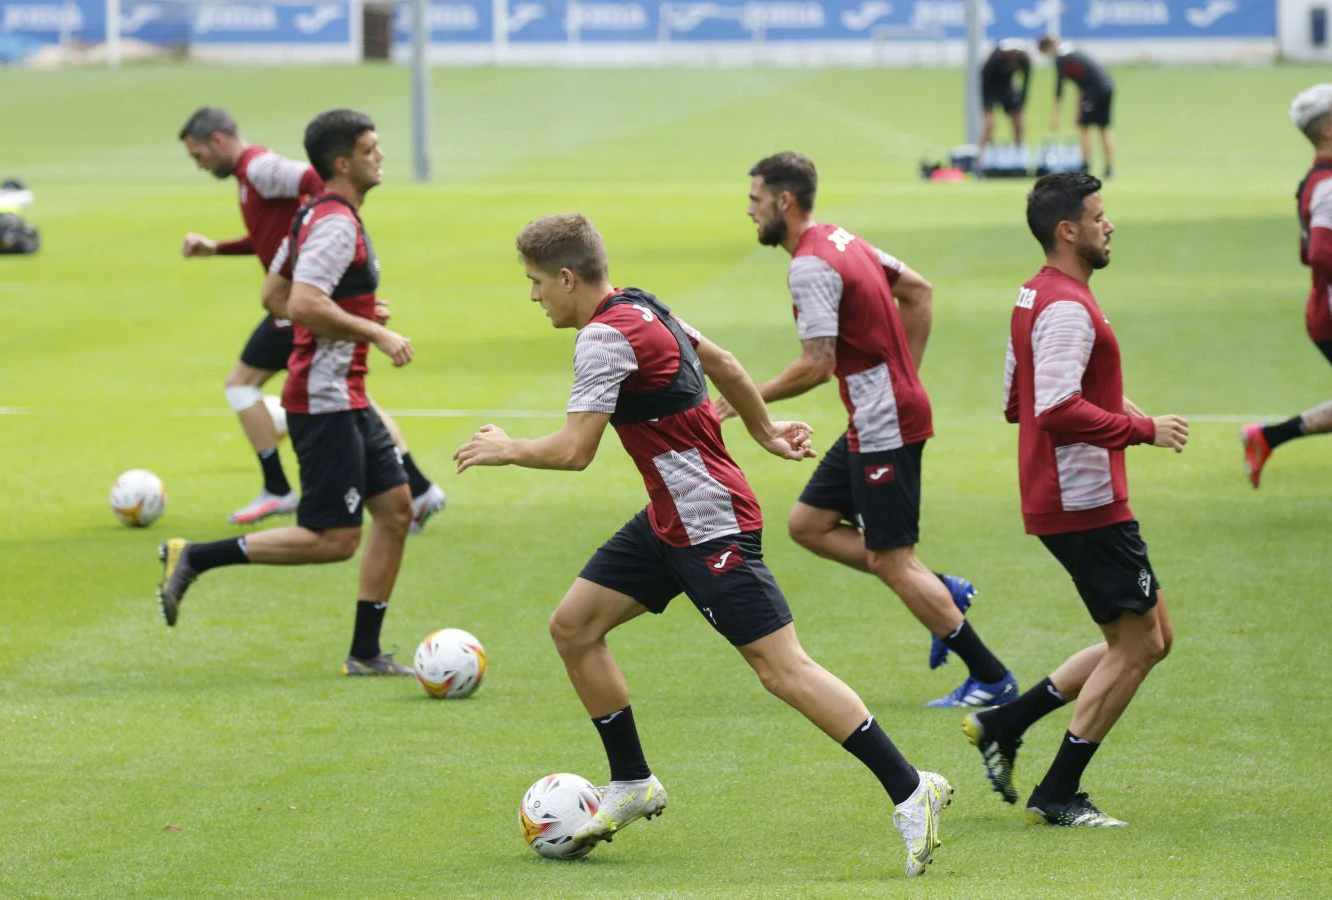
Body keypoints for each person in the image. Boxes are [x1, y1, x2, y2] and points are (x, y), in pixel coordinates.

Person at [453, 213, 952, 877]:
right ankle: (632, 783)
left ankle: (911, 788)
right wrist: (766, 430)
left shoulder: (604, 338)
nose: (534, 295)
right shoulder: (642, 305)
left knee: (783, 669)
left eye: (537, 282)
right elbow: (726, 364)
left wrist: (507, 448)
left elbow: (576, 451)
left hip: (709, 524)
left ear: (568, 278)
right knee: (573, 627)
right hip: (669, 519)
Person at [728, 151, 1018, 708]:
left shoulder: (810, 265)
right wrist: (903, 372)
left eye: (755, 199)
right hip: (881, 413)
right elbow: (920, 291)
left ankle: (991, 676)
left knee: (891, 559)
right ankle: (939, 587)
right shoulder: (841, 239)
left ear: (783, 201)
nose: (750, 210)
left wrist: (743, 401)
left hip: (885, 422)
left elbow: (818, 363)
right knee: (807, 523)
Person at [159, 110, 418, 677]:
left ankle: (366, 653)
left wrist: (351, 313)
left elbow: (274, 291)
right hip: (323, 401)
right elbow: (297, 302)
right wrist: (374, 330)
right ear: (343, 163)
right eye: (372, 149)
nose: (382, 157)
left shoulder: (314, 215)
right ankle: (196, 557)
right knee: (334, 540)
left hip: (347, 395)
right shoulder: (333, 222)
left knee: (396, 512)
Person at [963, 172, 1185, 827]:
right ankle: (1057, 792)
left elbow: (1017, 399)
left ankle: (1007, 721)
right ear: (1069, 231)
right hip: (1083, 501)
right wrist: (1142, 430)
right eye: (1098, 215)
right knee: (1137, 646)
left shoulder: (1036, 296)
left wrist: (1108, 401)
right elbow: (1054, 406)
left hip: (1072, 496)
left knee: (1153, 636)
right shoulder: (1065, 306)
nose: (1108, 224)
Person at [178, 106, 445, 529]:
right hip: (299, 292)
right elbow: (276, 235)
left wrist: (329, 281)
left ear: (218, 140)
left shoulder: (261, 168)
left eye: (199, 154)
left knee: (242, 386)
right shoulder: (250, 179)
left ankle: (278, 489)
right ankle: (418, 488)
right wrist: (218, 249)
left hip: (298, 300)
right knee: (352, 397)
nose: (200, 164)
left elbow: (318, 185)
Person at [1242, 83, 1332, 486]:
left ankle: (1266, 437)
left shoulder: (1314, 182)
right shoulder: (1327, 186)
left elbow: (1305, 251)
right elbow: (1319, 254)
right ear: (1327, 129)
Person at [1038, 36, 1114, 179]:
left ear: (1047, 48)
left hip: (1094, 90)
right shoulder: (1072, 50)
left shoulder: (1061, 58)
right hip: (1107, 86)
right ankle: (1109, 169)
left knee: (1083, 127)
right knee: (1104, 128)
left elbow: (1059, 89)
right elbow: (1081, 84)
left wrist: (1055, 116)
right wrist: (1078, 109)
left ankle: (1085, 167)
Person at [980, 40, 1032, 154]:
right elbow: (985, 81)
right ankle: (983, 155)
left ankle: (1019, 151)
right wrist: (989, 106)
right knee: (990, 124)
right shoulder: (996, 59)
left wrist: (1020, 106)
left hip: (1007, 85)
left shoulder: (1026, 61)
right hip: (990, 84)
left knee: (1018, 119)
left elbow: (1025, 88)